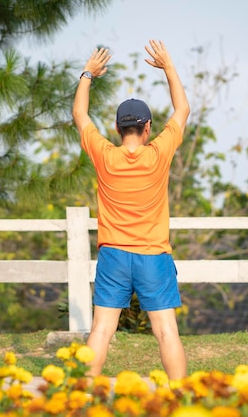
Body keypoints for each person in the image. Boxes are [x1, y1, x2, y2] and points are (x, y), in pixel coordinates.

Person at [72, 40, 190, 381]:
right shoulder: (159, 153)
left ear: (117, 129)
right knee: (166, 331)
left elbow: (80, 115)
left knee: (101, 331)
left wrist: (87, 75)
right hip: (153, 255)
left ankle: (83, 396)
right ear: (148, 128)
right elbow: (182, 110)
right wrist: (167, 65)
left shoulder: (105, 155)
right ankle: (181, 399)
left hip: (114, 256)